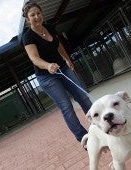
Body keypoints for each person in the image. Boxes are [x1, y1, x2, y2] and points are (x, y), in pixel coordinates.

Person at [21, 2, 92, 142]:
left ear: (42, 14)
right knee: (67, 107)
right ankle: (83, 137)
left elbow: (58, 45)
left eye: (38, 13)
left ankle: (100, 125)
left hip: (62, 68)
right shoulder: (28, 36)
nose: (36, 16)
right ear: (27, 19)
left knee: (83, 97)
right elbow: (34, 58)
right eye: (32, 15)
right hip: (47, 77)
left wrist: (67, 59)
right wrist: (47, 66)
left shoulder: (49, 27)